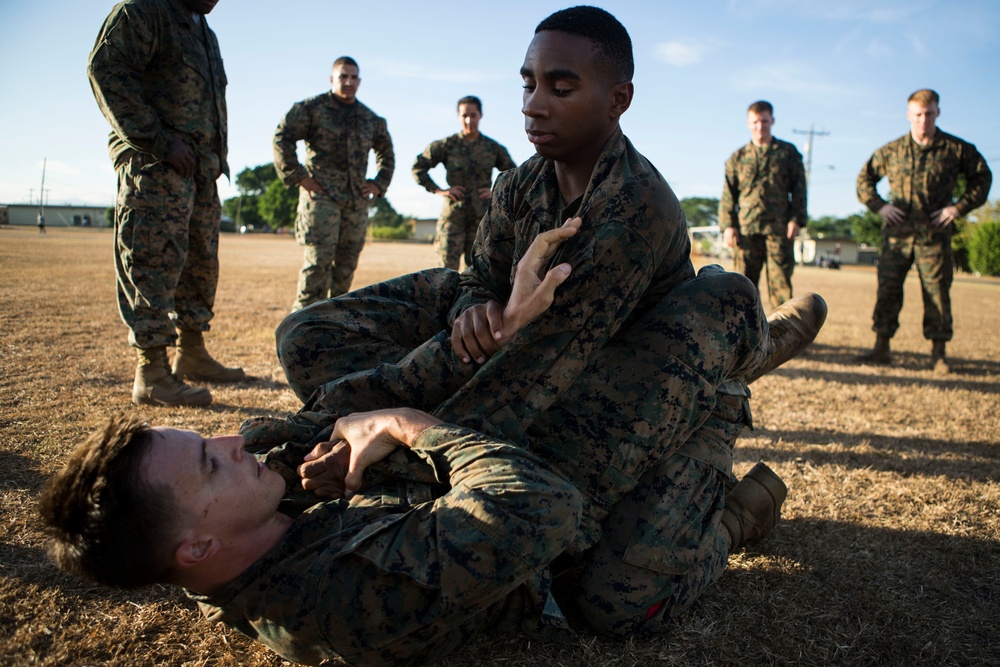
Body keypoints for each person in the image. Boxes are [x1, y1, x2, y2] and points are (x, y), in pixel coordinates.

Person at [44, 6, 828, 665]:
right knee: (616, 598)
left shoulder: (255, 491)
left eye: (557, 84)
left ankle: (728, 346)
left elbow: (354, 393)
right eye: (530, 82)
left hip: (553, 371)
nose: (237, 434)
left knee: (313, 341)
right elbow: (537, 478)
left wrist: (477, 331)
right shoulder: (341, 594)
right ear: (195, 550)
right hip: (545, 447)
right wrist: (411, 415)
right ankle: (729, 397)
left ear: (617, 98)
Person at [87, 0, 245, 408]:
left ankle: (191, 352)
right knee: (153, 261)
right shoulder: (143, 11)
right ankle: (152, 372)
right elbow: (106, 70)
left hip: (200, 168)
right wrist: (157, 139)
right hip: (156, 163)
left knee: (198, 264)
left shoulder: (204, 33)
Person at [856, 89, 992, 373]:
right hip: (897, 235)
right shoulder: (892, 151)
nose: (923, 121)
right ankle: (881, 346)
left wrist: (957, 208)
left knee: (937, 294)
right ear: (908, 115)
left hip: (934, 235)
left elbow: (982, 177)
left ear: (937, 113)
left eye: (928, 114)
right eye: (917, 115)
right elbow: (864, 179)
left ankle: (938, 353)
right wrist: (881, 207)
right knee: (888, 290)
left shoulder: (955, 149)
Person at [273, 56, 395, 311]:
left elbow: (387, 153)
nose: (348, 82)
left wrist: (377, 184)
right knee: (317, 265)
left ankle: (334, 331)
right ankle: (302, 329)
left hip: (355, 203)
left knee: (346, 269)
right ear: (332, 79)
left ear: (359, 81)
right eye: (343, 76)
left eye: (353, 77)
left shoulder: (369, 118)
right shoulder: (311, 109)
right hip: (322, 199)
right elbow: (282, 137)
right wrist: (299, 176)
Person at [719, 100, 807, 309]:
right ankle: (745, 335)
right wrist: (728, 225)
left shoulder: (787, 153)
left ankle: (783, 334)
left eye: (765, 121)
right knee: (743, 286)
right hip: (746, 230)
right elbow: (728, 195)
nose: (760, 126)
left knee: (781, 286)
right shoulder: (737, 158)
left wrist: (797, 219)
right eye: (756, 122)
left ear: (772, 121)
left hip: (779, 230)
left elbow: (799, 189)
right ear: (749, 123)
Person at [412, 96, 517, 269]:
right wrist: (439, 190)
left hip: (481, 220)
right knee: (446, 271)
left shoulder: (492, 148)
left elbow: (514, 176)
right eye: (464, 115)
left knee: (479, 271)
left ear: (480, 116)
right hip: (453, 218)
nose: (469, 120)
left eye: (473, 115)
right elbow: (418, 167)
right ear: (458, 117)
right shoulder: (447, 145)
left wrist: (496, 193)